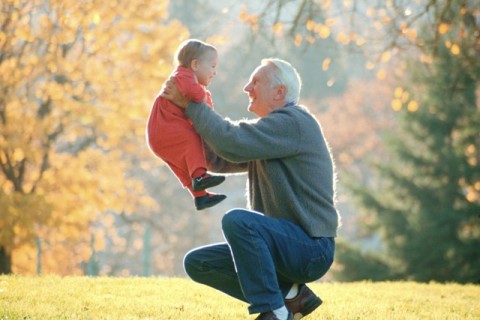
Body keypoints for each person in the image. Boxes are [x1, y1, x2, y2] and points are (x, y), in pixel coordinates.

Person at [161, 58, 340, 320]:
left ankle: (275, 312)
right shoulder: (273, 133)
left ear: (280, 92)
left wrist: (190, 103)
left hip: (310, 249)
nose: (247, 87)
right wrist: (179, 133)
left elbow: (231, 142)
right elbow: (221, 156)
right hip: (281, 246)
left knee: (238, 221)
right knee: (199, 263)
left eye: (256, 81)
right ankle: (293, 295)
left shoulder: (293, 123)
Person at [146, 39, 226, 210]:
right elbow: (196, 96)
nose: (215, 72)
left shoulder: (184, 78)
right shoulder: (184, 75)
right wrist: (204, 95)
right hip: (167, 129)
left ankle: (200, 197)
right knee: (193, 141)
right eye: (212, 66)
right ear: (195, 64)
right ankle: (200, 178)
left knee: (184, 166)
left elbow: (203, 105)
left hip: (160, 136)